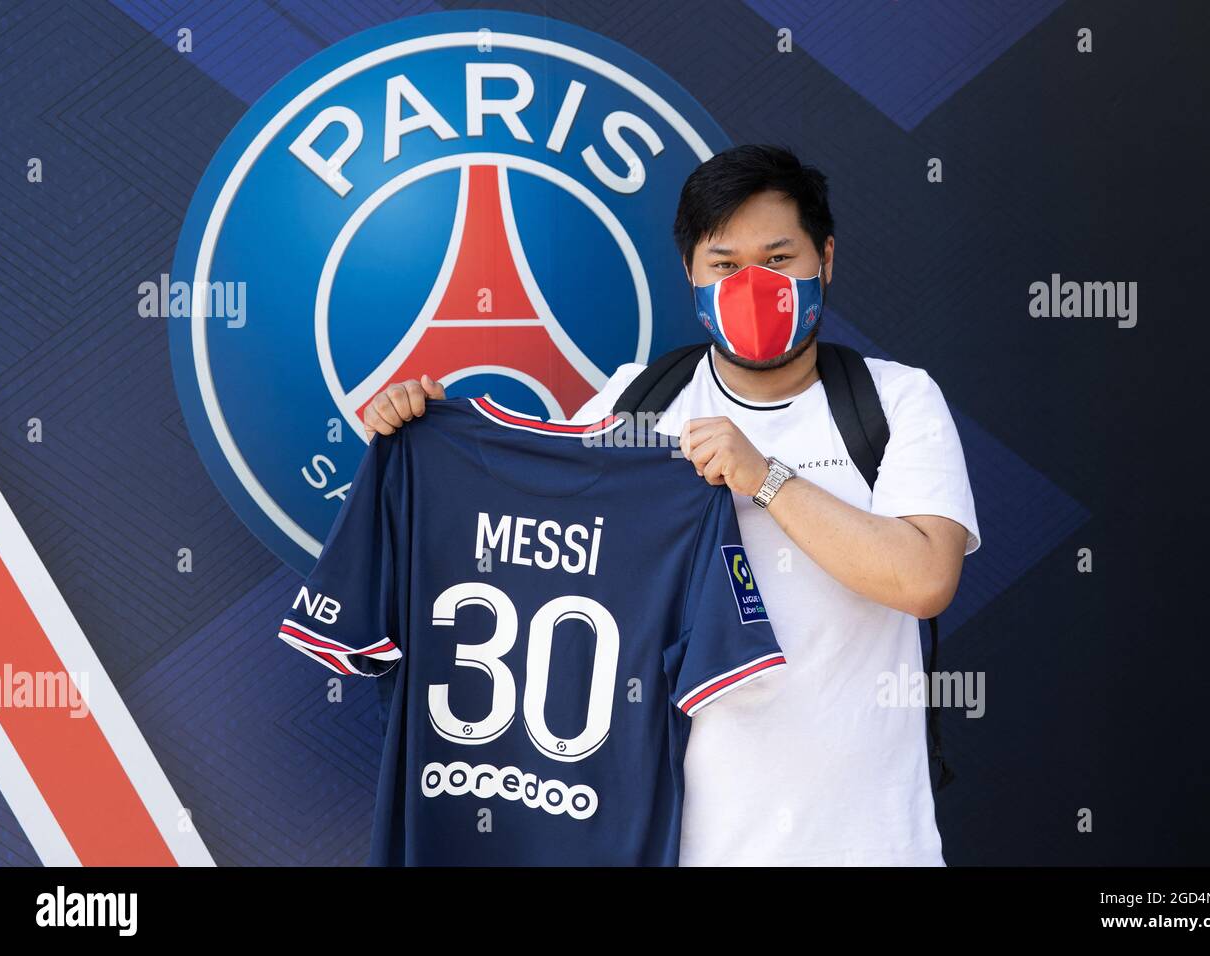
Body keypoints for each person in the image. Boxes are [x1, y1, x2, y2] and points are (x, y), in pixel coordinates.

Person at [362, 144, 980, 866]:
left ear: (826, 260)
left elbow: (924, 579)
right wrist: (429, 436)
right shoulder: (634, 405)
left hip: (868, 844)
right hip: (684, 845)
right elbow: (530, 538)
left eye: (778, 261)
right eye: (724, 264)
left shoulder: (893, 400)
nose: (752, 285)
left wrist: (766, 477)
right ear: (691, 271)